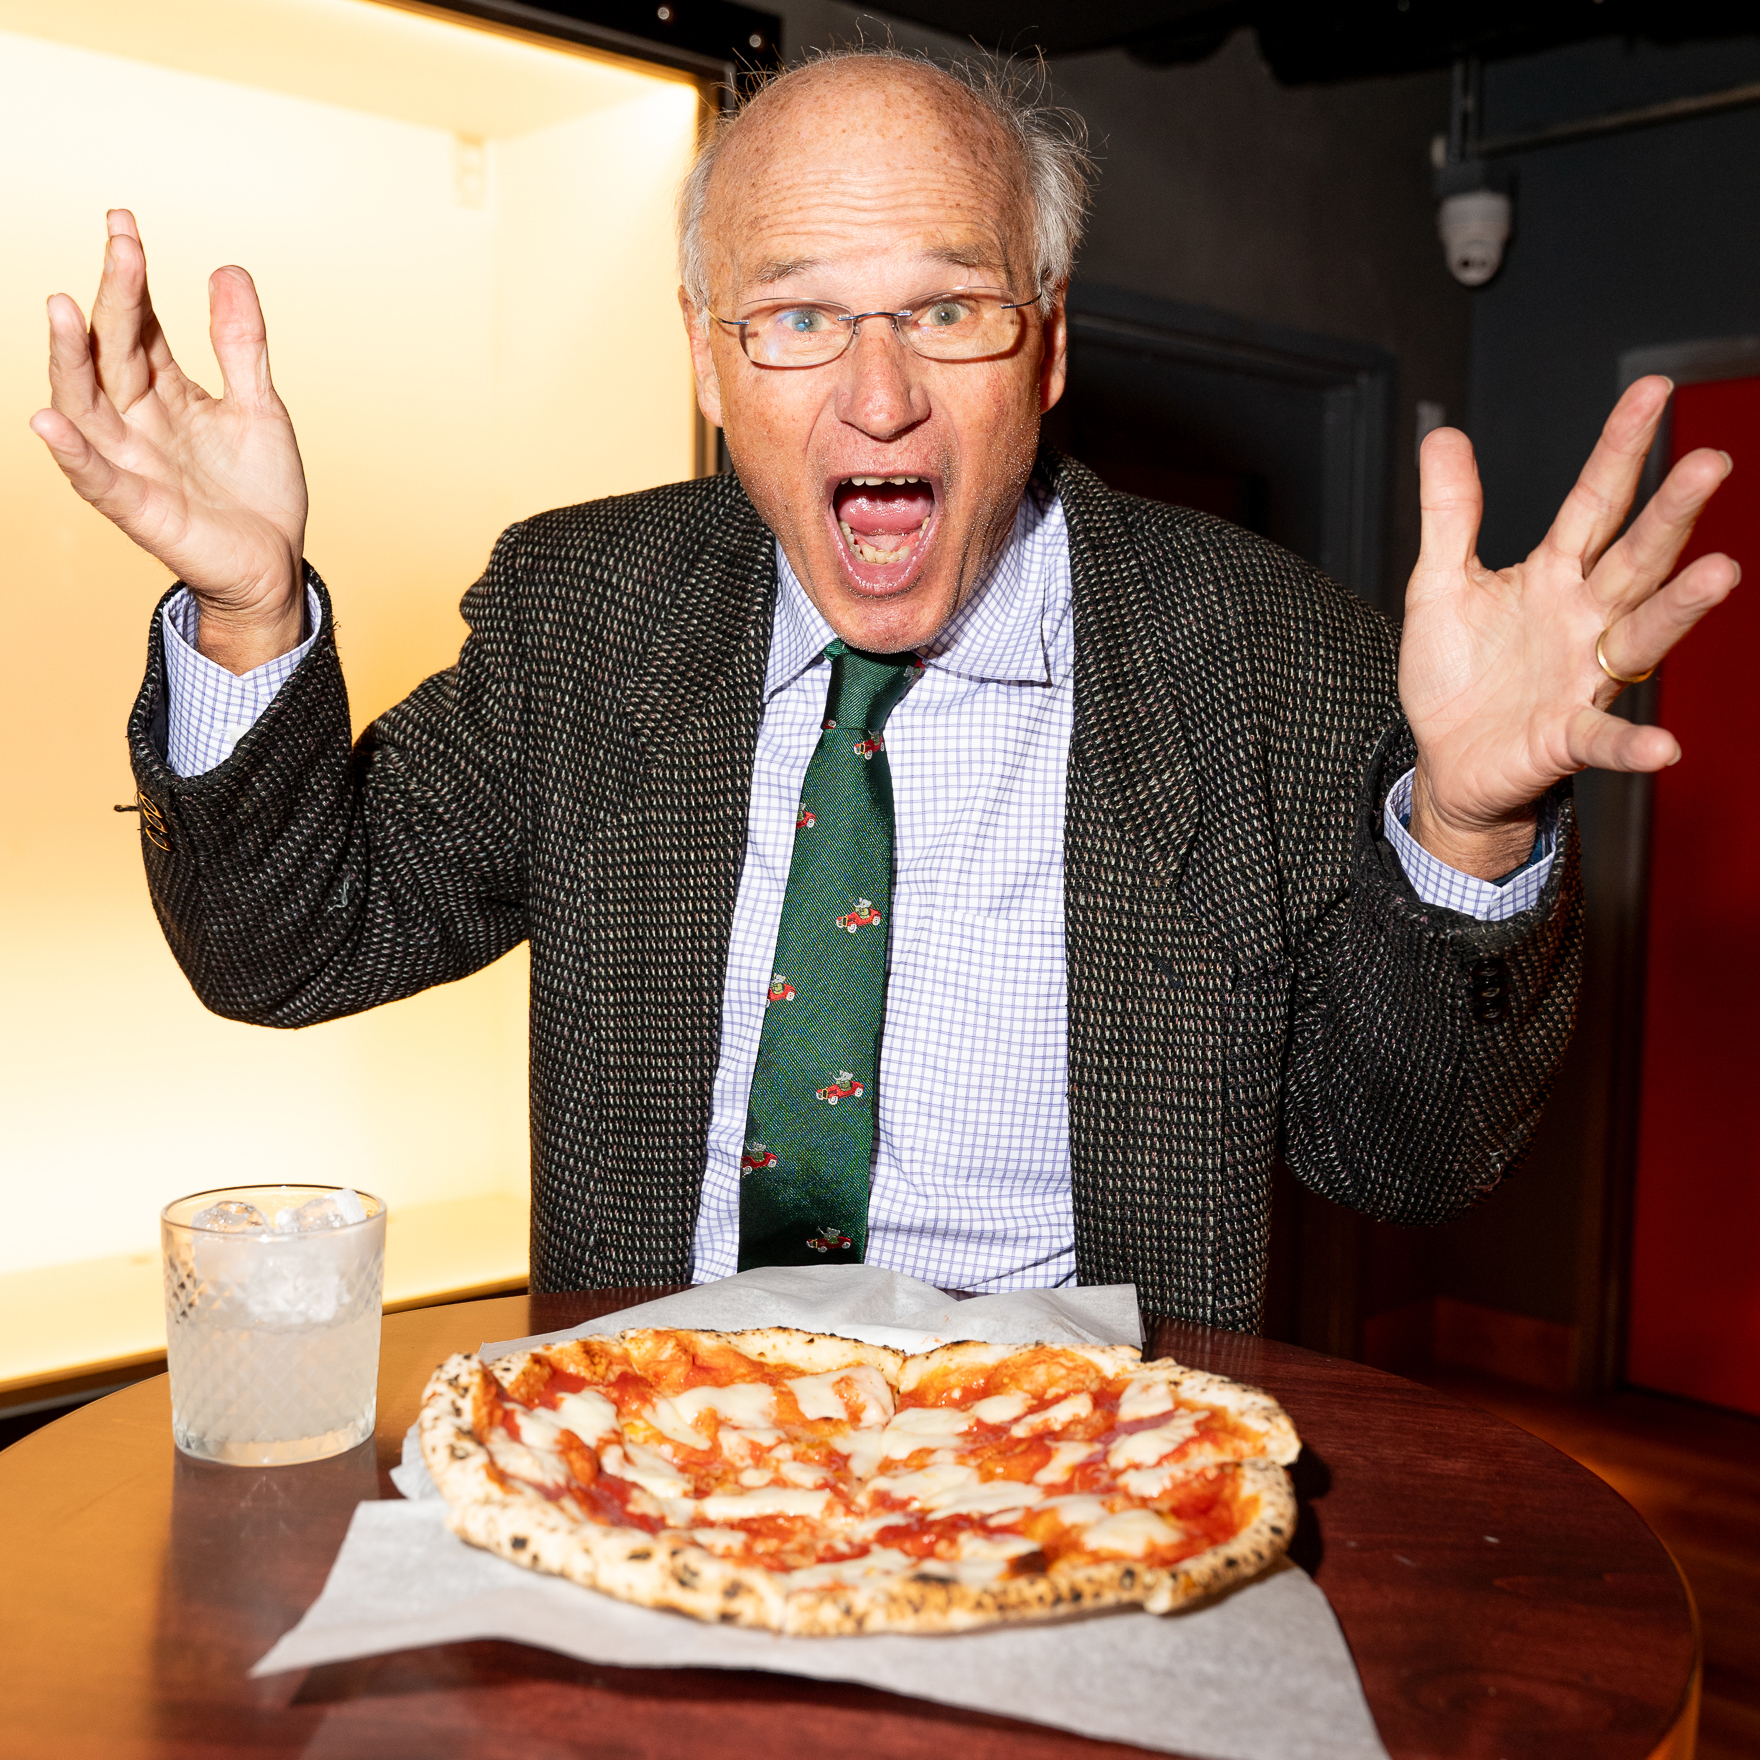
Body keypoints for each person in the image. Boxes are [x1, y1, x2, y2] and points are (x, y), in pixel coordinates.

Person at [32, 51, 1735, 1326]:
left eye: (947, 308)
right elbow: (286, 947)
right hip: (654, 1458)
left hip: (1084, 1486)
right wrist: (246, 606)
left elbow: (1409, 1163)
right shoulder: (590, 614)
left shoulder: (1268, 660)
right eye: (795, 319)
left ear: (1049, 346)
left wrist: (1469, 813)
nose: (878, 399)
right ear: (705, 360)